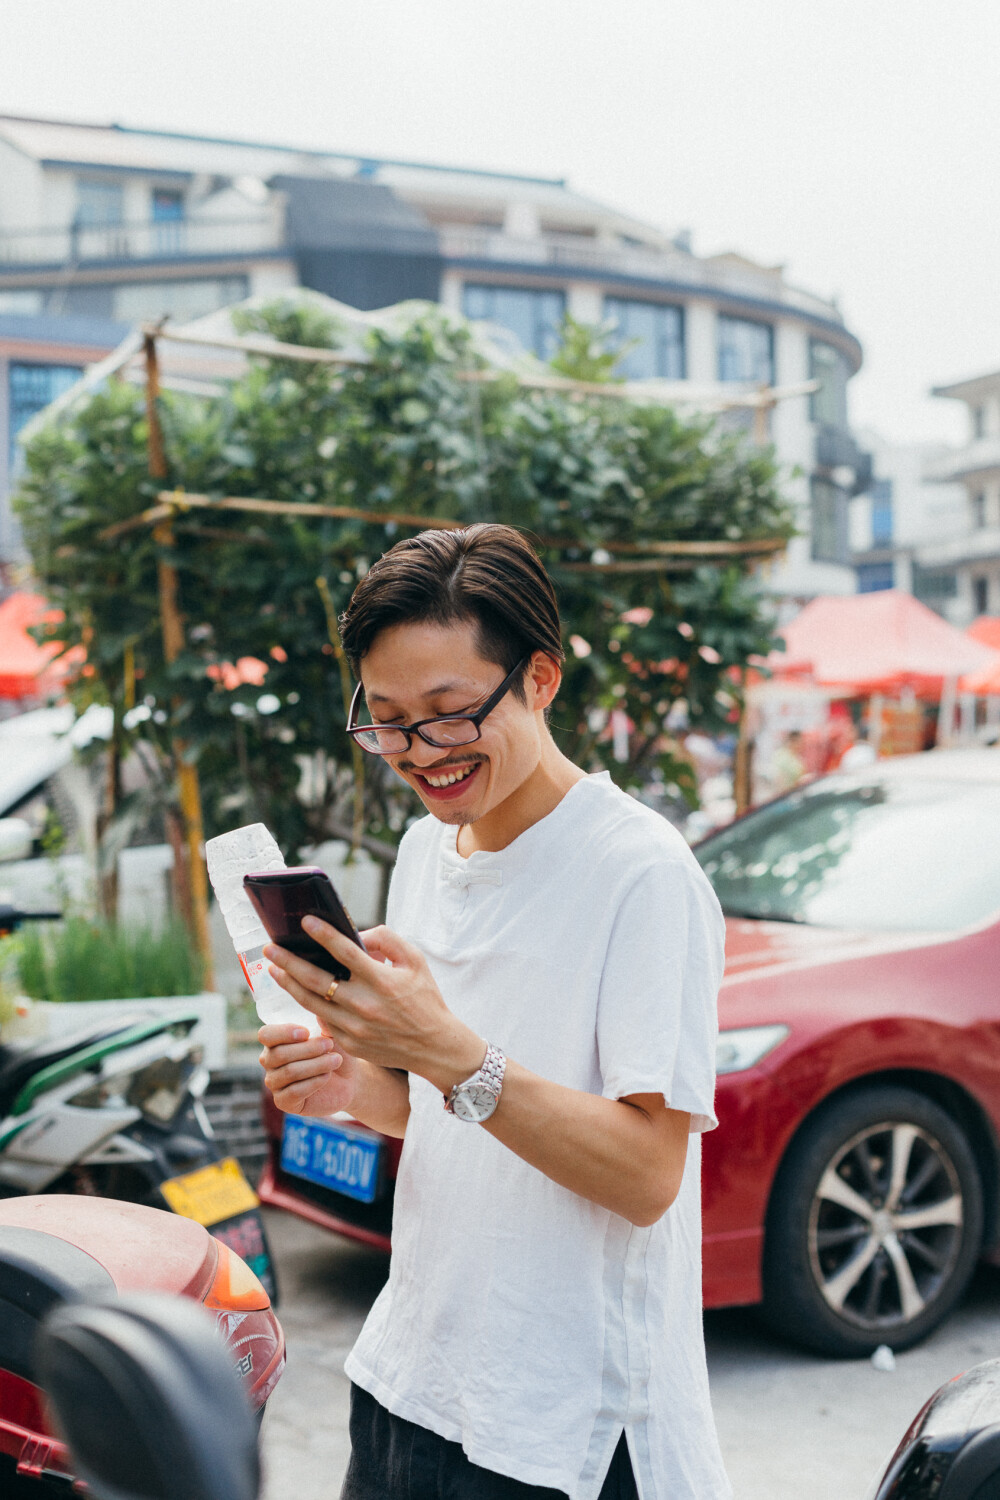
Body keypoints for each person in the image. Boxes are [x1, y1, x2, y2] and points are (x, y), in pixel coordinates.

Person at [258, 524, 732, 1500]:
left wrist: (448, 1053)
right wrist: (353, 1082)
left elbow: (647, 1174)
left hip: (563, 1429)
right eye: (385, 719)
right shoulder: (427, 849)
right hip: (408, 1380)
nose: (416, 753)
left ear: (542, 679)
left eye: (447, 713)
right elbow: (430, 1110)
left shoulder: (641, 876)